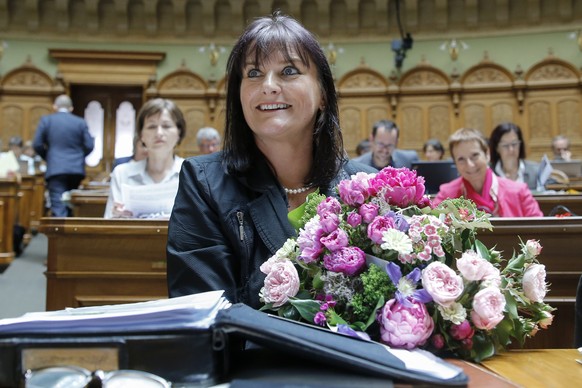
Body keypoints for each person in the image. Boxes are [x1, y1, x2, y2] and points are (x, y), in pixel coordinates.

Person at [166, 12, 375, 308]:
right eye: (253, 73)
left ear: (323, 94)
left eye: (289, 71)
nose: (268, 86)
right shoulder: (204, 183)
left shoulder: (366, 186)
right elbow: (201, 312)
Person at [104, 98, 186, 219]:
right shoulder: (122, 173)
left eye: (166, 126)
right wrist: (117, 218)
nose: (159, 133)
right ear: (141, 135)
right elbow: (107, 226)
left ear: (179, 133)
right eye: (152, 126)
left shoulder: (192, 173)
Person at [433, 127, 542, 217]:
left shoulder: (519, 192)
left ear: (487, 154)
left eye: (475, 156)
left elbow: (539, 232)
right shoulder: (446, 195)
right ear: (455, 163)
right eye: (461, 159)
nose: (470, 165)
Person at [33, 94, 95, 217]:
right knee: (70, 203)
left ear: (55, 106)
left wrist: (49, 157)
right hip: (76, 169)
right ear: (71, 108)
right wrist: (78, 156)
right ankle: (71, 232)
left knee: (58, 204)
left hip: (56, 168)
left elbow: (37, 144)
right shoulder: (80, 122)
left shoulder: (47, 120)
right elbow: (89, 145)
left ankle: (62, 234)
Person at [489, 122, 541, 191]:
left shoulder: (535, 171)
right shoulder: (489, 174)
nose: (511, 150)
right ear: (497, 148)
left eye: (514, 144)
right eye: (505, 145)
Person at [352, 119, 419, 170]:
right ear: (372, 139)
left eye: (390, 145)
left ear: (396, 142)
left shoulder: (409, 160)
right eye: (381, 144)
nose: (384, 150)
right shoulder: (356, 165)